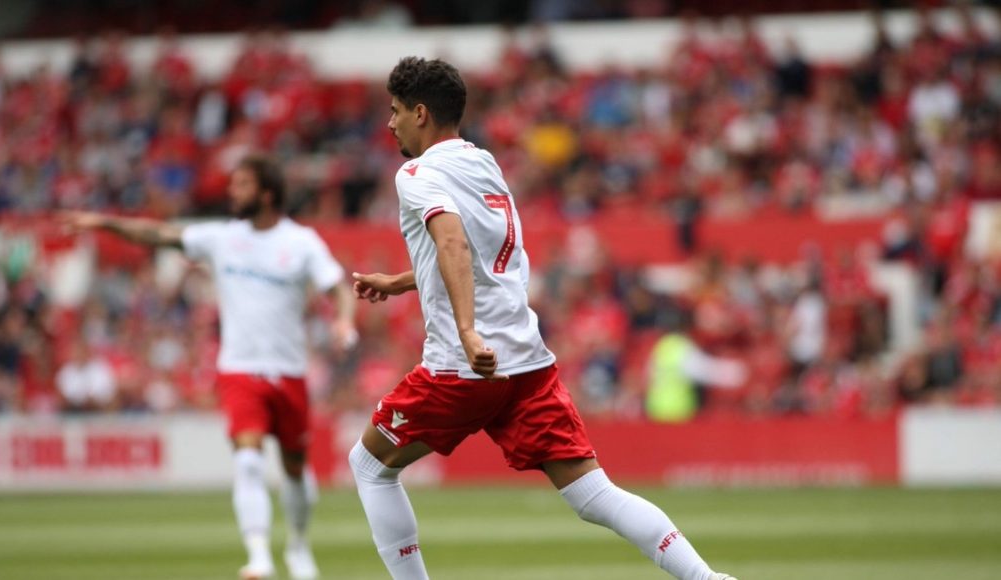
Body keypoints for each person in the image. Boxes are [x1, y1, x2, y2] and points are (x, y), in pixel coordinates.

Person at [349, 56, 737, 580]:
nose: (390, 122)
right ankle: (708, 578)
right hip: (526, 363)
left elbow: (453, 243)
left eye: (395, 110)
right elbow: (479, 255)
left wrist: (467, 332)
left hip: (462, 368)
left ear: (420, 113)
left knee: (370, 466)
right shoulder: (484, 164)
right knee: (594, 494)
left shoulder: (415, 174)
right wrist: (400, 282)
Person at [61, 154, 356, 580]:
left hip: (289, 371)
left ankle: (297, 546)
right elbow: (159, 234)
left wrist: (344, 320)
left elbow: (337, 287)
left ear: (267, 194)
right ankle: (258, 556)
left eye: (242, 185)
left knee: (295, 469)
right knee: (248, 461)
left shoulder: (301, 241)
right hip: (239, 369)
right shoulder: (222, 237)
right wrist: (104, 222)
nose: (232, 192)